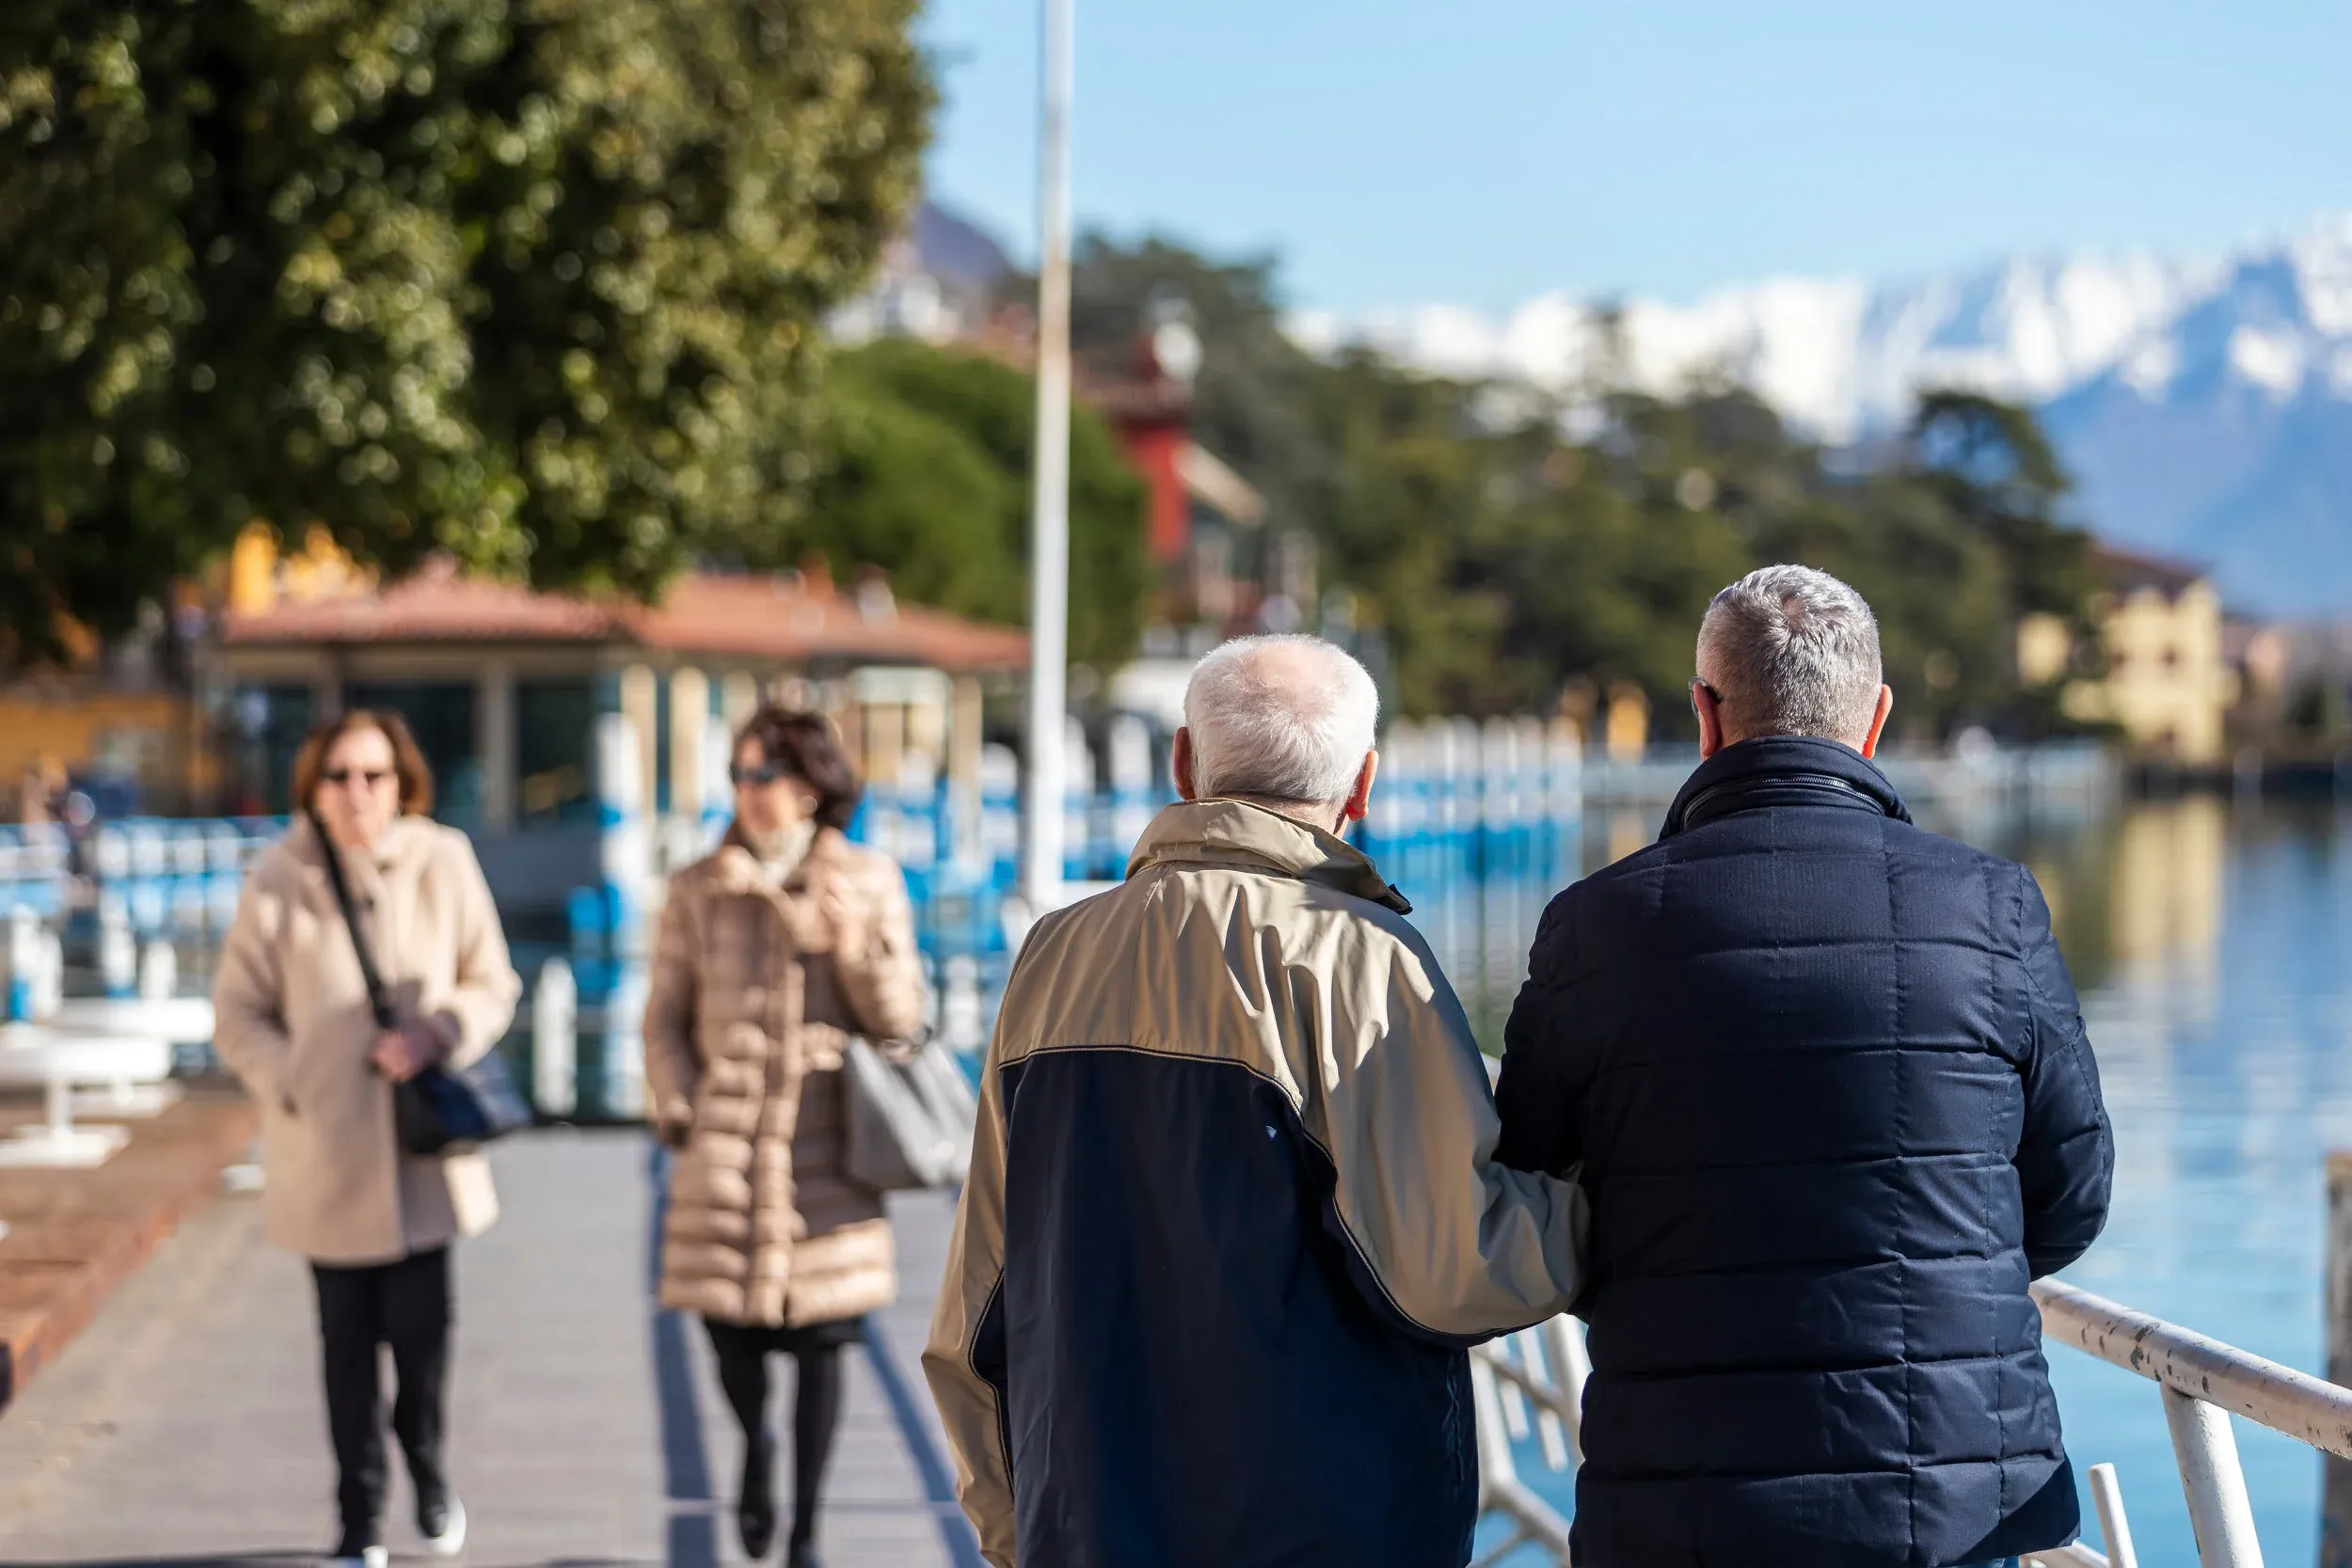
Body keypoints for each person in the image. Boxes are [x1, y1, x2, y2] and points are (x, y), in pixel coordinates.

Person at [1494, 564, 2115, 1568]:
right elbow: (2072, 1191)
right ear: (1875, 718)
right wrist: (1943, 1264)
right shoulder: (1993, 906)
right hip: (1950, 1504)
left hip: (1679, 1496)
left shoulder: (1594, 925)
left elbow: (1529, 1183)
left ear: (1705, 713)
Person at [925, 634, 1587, 1568]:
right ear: (1363, 783)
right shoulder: (1361, 957)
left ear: (1184, 764)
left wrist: (1016, 1529)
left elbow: (979, 1294)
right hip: (1328, 1528)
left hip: (1086, 1521)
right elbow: (1452, 1271)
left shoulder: (1053, 954)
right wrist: (1602, 1203)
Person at [213, 711, 521, 1568]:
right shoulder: (278, 878)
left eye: (374, 775)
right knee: (345, 1345)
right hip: (325, 1153)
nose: (357, 793)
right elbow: (237, 1012)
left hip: (423, 1155)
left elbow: (493, 980)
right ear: (313, 786)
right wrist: (293, 1078)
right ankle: (359, 1515)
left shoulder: (443, 859)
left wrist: (436, 1033)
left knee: (423, 1343)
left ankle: (426, 1460)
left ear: (402, 781)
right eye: (339, 775)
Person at [644, 707, 926, 1568]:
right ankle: (755, 1449)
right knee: (727, 1333)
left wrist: (853, 949)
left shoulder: (866, 880)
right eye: (738, 774)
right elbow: (664, 1015)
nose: (747, 790)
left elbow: (902, 1020)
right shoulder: (699, 886)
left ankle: (805, 1530)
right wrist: (682, 1105)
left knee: (826, 1340)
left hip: (828, 1144)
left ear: (810, 786)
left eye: (763, 774)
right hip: (725, 1139)